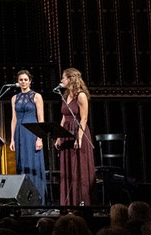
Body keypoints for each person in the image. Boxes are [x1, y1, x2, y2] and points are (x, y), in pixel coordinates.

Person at [56, 67, 95, 205]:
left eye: (63, 77)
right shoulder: (65, 95)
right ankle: (68, 203)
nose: (61, 80)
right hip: (66, 131)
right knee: (67, 167)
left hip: (78, 131)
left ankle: (81, 202)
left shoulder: (81, 95)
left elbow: (84, 118)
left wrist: (79, 138)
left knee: (78, 167)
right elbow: (63, 117)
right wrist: (59, 136)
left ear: (71, 79)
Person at [10, 69, 46, 203]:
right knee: (21, 163)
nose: (23, 82)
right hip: (19, 132)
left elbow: (41, 118)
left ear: (30, 81)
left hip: (32, 132)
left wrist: (39, 137)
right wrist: (12, 138)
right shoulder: (14, 98)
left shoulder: (36, 96)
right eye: (21, 80)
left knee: (33, 163)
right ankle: (24, 198)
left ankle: (37, 198)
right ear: (18, 81)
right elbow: (13, 119)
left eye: (26, 80)